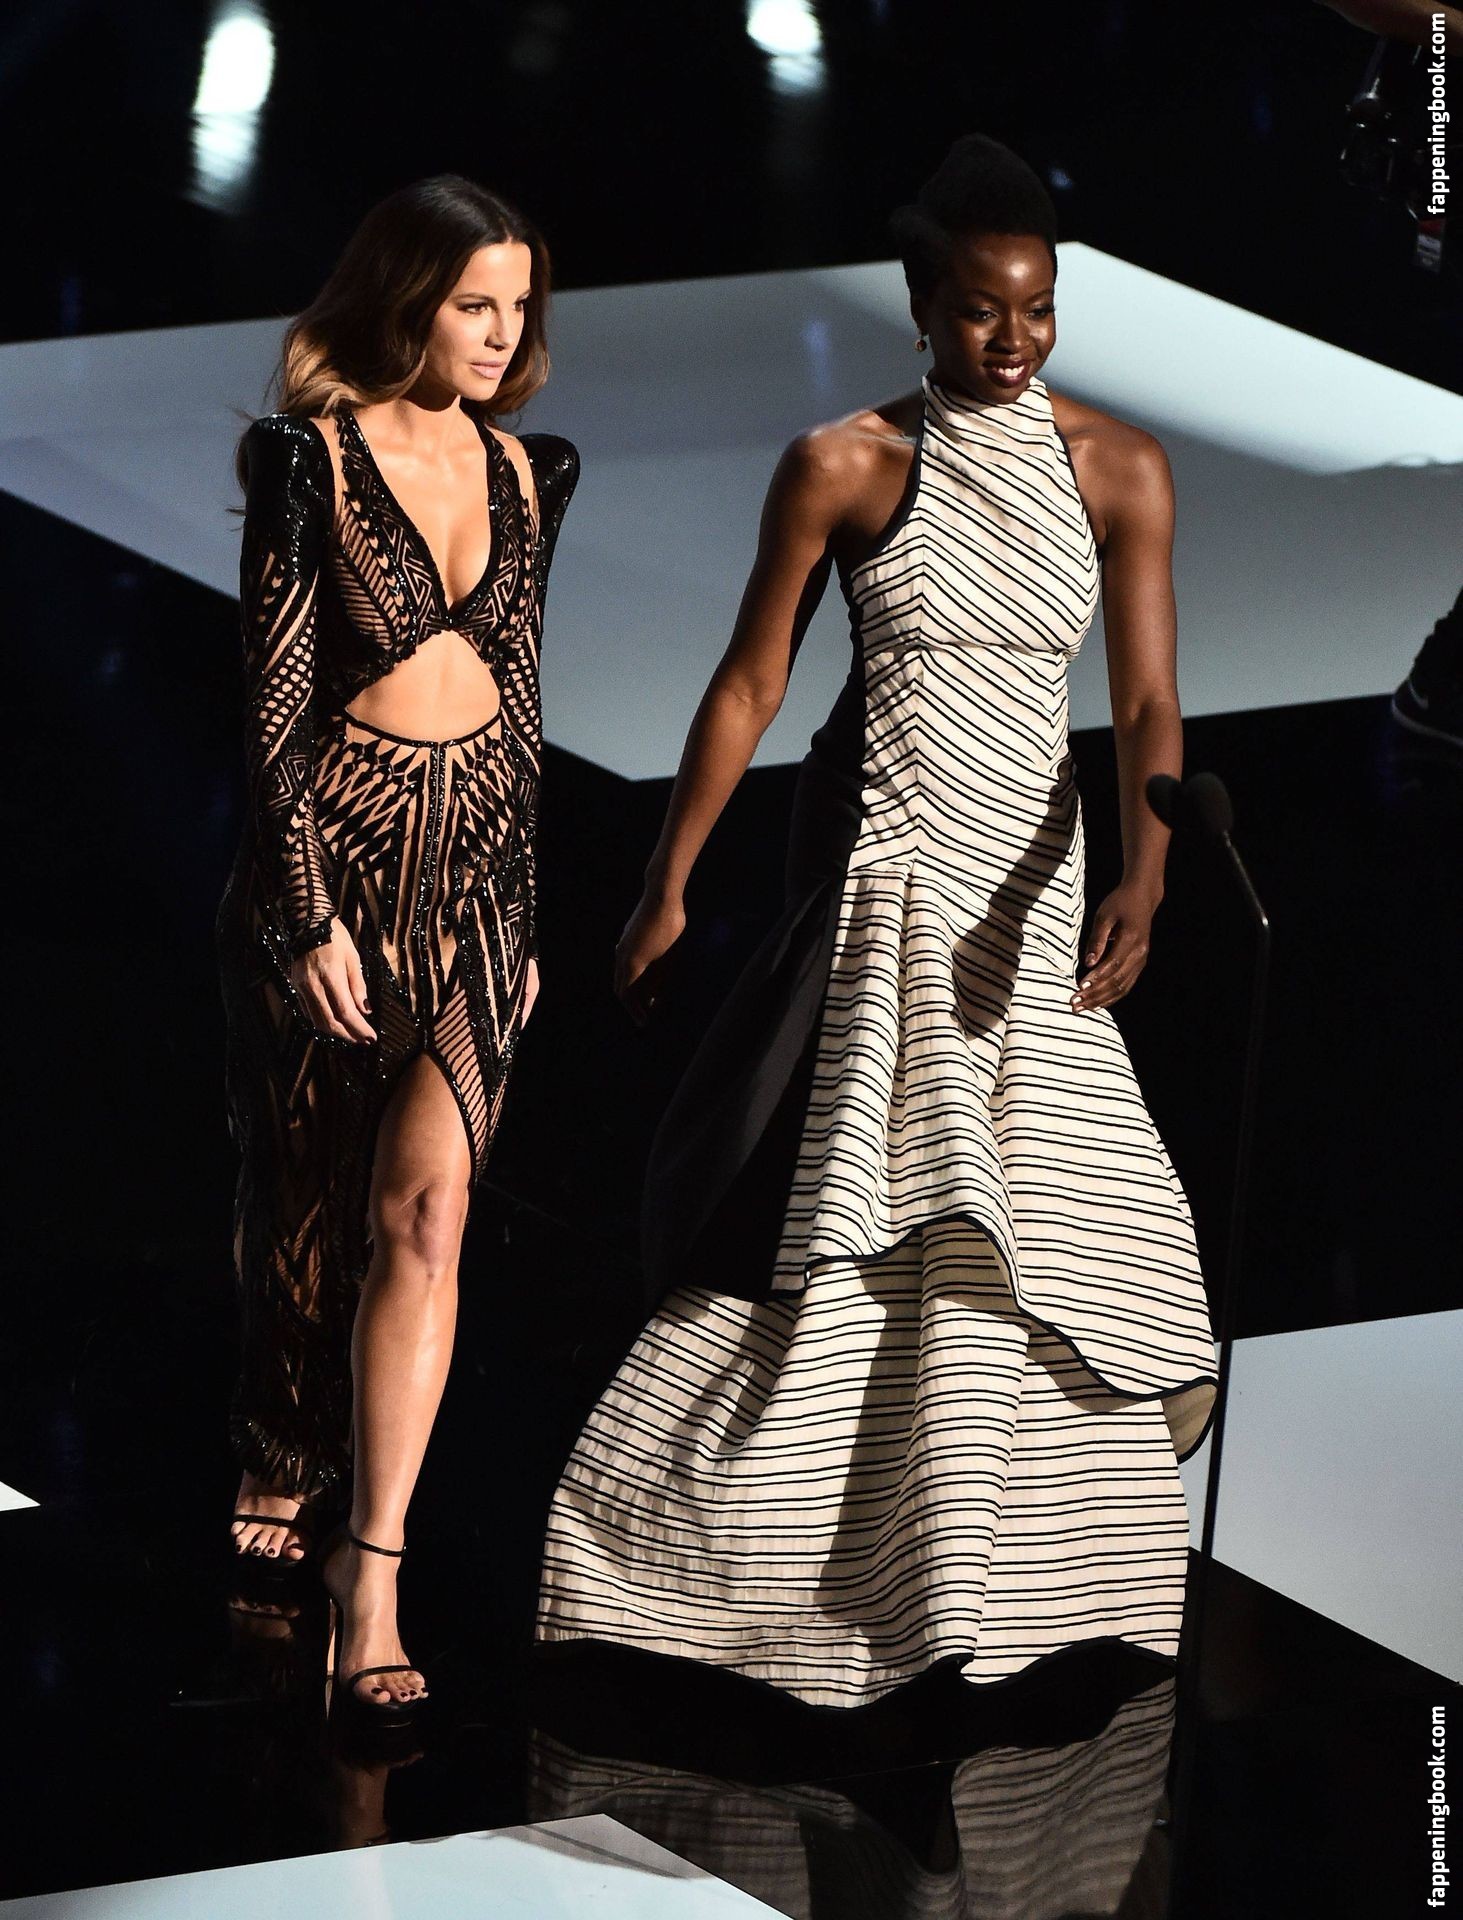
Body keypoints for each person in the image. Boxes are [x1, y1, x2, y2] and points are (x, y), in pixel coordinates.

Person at [536, 135, 1217, 1707]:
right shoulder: (844, 464)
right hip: (891, 881)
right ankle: (786, 1571)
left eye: (1038, 309)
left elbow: (1149, 698)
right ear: (920, 308)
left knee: (1045, 1229)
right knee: (872, 1220)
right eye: (981, 309)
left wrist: (1147, 872)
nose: (1014, 338)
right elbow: (751, 680)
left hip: (1038, 896)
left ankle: (1018, 1573)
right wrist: (666, 879)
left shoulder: (1120, 467)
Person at [215, 174, 578, 1718]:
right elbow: (274, 713)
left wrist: (528, 918)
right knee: (307, 1203)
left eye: (517, 307)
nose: (499, 335)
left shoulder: (532, 471)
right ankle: (280, 1438)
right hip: (341, 874)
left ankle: (374, 1570)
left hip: (481, 889)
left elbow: (530, 703)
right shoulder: (310, 461)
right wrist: (304, 913)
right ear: (406, 299)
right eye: (471, 304)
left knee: (427, 1217)